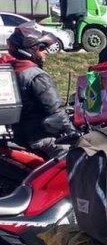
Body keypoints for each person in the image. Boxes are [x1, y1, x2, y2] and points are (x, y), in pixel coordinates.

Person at [1, 23, 76, 158]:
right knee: (77, 153)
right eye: (42, 47)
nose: (46, 51)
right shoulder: (36, 76)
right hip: (40, 138)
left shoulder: (9, 71)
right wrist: (73, 133)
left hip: (19, 135)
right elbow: (56, 111)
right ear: (29, 50)